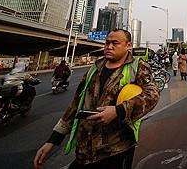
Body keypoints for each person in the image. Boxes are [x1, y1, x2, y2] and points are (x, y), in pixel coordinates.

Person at [33, 29, 159, 169]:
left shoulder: (138, 68)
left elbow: (152, 95)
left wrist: (118, 111)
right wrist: (53, 140)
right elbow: (76, 104)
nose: (109, 46)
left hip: (116, 150)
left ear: (128, 45)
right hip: (84, 151)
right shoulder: (95, 67)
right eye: (107, 43)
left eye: (115, 43)